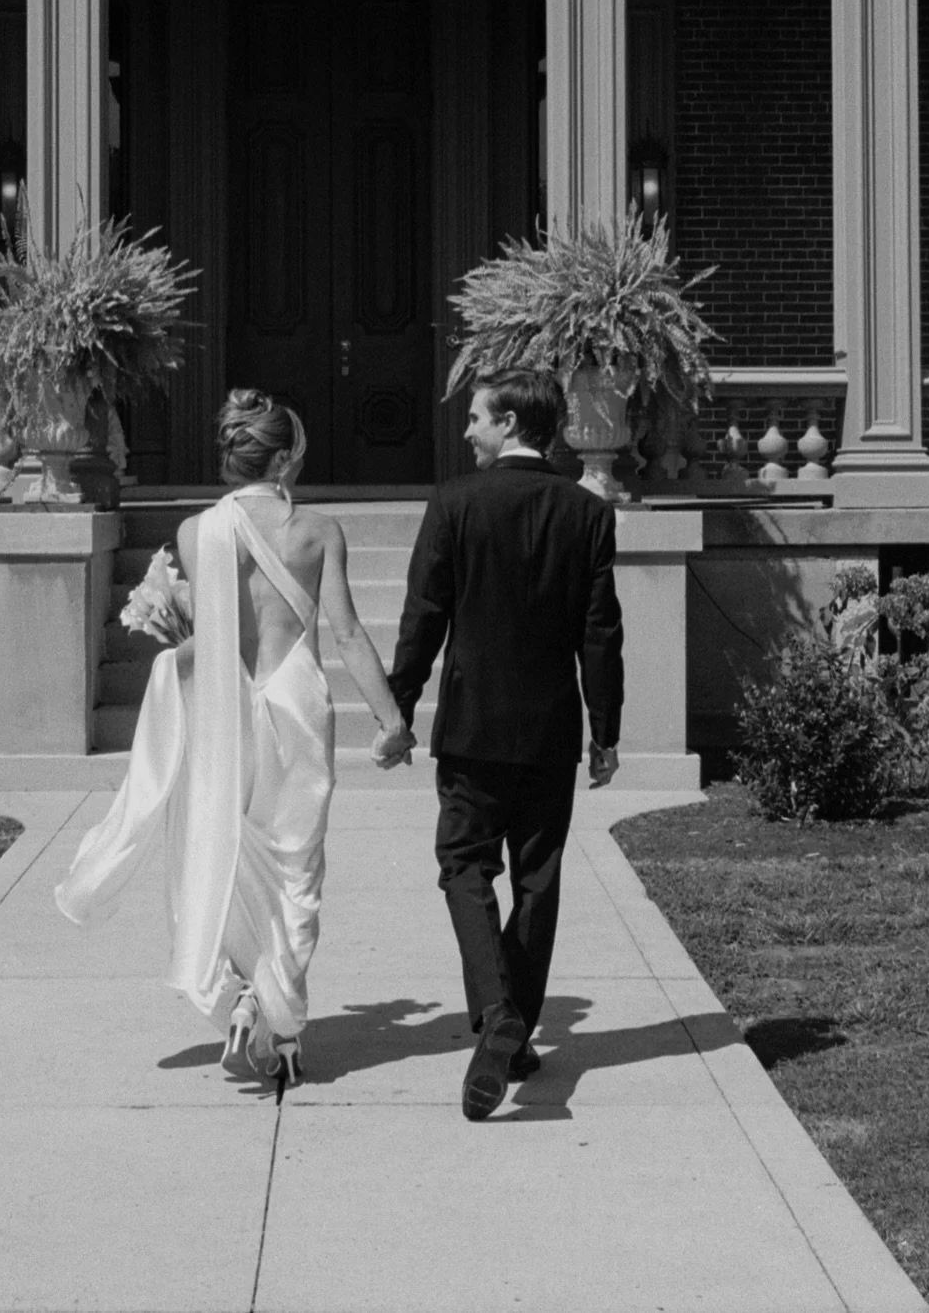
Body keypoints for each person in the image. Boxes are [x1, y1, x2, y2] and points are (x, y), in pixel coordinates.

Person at [55, 389, 415, 1087]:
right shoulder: (315, 532)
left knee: (231, 857)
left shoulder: (196, 533)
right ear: (282, 456)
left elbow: (214, 635)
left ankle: (249, 997)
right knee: (293, 871)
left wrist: (169, 667)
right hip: (294, 704)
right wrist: (392, 720)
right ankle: (278, 1021)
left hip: (227, 710)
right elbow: (344, 633)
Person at [384, 367, 624, 1121]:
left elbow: (424, 615)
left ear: (512, 423)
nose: (467, 431)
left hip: (472, 728)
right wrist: (605, 730)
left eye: (478, 418)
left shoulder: (455, 502)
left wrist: (400, 708)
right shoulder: (586, 512)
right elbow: (601, 634)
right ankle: (513, 1042)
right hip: (551, 727)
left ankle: (499, 1015)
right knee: (537, 878)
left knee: (463, 866)